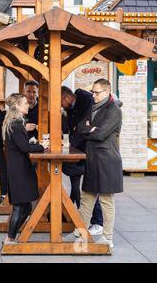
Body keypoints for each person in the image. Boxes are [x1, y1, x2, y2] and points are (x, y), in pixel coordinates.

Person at [71, 79, 123, 249]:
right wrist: (89, 129)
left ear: (107, 92)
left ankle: (107, 237)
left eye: (97, 92)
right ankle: (80, 232)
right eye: (92, 92)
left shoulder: (114, 110)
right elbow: (80, 126)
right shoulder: (93, 107)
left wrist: (90, 129)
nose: (93, 95)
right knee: (86, 198)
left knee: (106, 200)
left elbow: (100, 135)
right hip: (93, 159)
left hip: (107, 160)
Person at [2, 93, 49, 244]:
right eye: (24, 103)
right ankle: (10, 238)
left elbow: (21, 144)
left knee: (27, 207)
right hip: (19, 170)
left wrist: (32, 142)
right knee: (19, 207)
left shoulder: (15, 123)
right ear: (16, 106)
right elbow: (24, 147)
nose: (27, 105)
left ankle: (12, 235)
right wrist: (42, 146)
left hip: (19, 168)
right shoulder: (15, 124)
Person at [61, 86, 104, 236]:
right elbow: (77, 127)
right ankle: (79, 217)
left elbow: (82, 128)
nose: (60, 106)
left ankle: (97, 222)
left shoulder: (86, 102)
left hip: (91, 151)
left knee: (90, 188)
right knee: (78, 185)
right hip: (81, 150)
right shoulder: (74, 106)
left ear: (66, 98)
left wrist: (72, 140)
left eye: (97, 93)